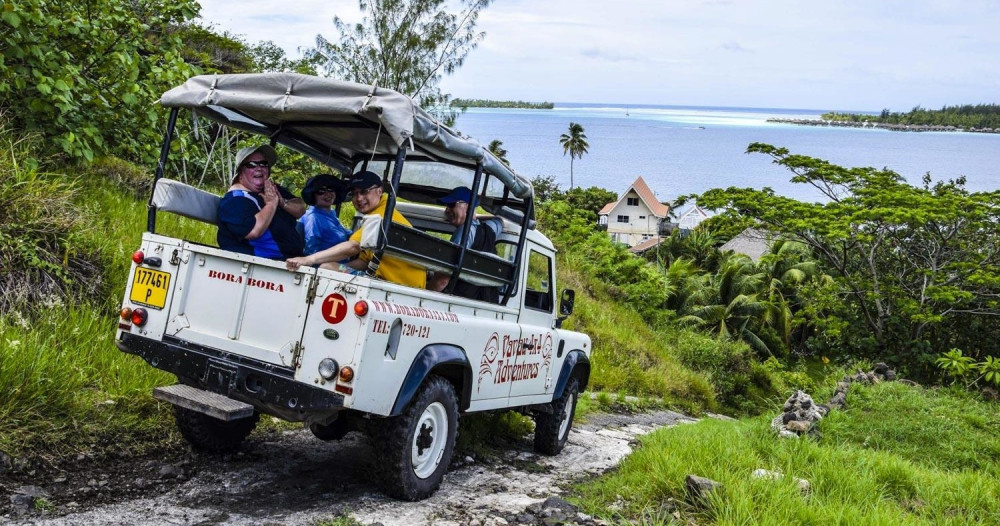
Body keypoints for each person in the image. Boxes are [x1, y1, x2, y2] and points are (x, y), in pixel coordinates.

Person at [285, 171, 426, 288]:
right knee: (329, 266)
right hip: (396, 282)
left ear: (379, 191)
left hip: (396, 284)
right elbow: (364, 262)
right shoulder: (314, 217)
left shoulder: (381, 215)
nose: (359, 198)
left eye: (364, 192)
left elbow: (353, 246)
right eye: (354, 194)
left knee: (327, 267)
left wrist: (309, 260)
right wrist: (338, 266)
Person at [217, 144, 306, 260]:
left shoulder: (270, 190)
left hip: (293, 261)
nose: (259, 168)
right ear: (240, 174)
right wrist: (271, 204)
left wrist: (282, 202)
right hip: (263, 264)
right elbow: (253, 231)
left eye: (263, 164)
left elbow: (301, 209)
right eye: (251, 165)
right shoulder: (235, 200)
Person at [428, 186, 503, 303]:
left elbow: (442, 280)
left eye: (452, 205)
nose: (446, 210)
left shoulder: (464, 231)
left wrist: (424, 294)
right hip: (484, 302)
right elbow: (500, 221)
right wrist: (474, 216)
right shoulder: (490, 229)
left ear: (467, 206)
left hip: (458, 302)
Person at [299, 174, 351, 256]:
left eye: (330, 189)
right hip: (327, 266)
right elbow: (311, 250)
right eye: (321, 191)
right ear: (313, 195)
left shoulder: (331, 214)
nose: (328, 194)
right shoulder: (313, 218)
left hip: (343, 262)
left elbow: (347, 234)